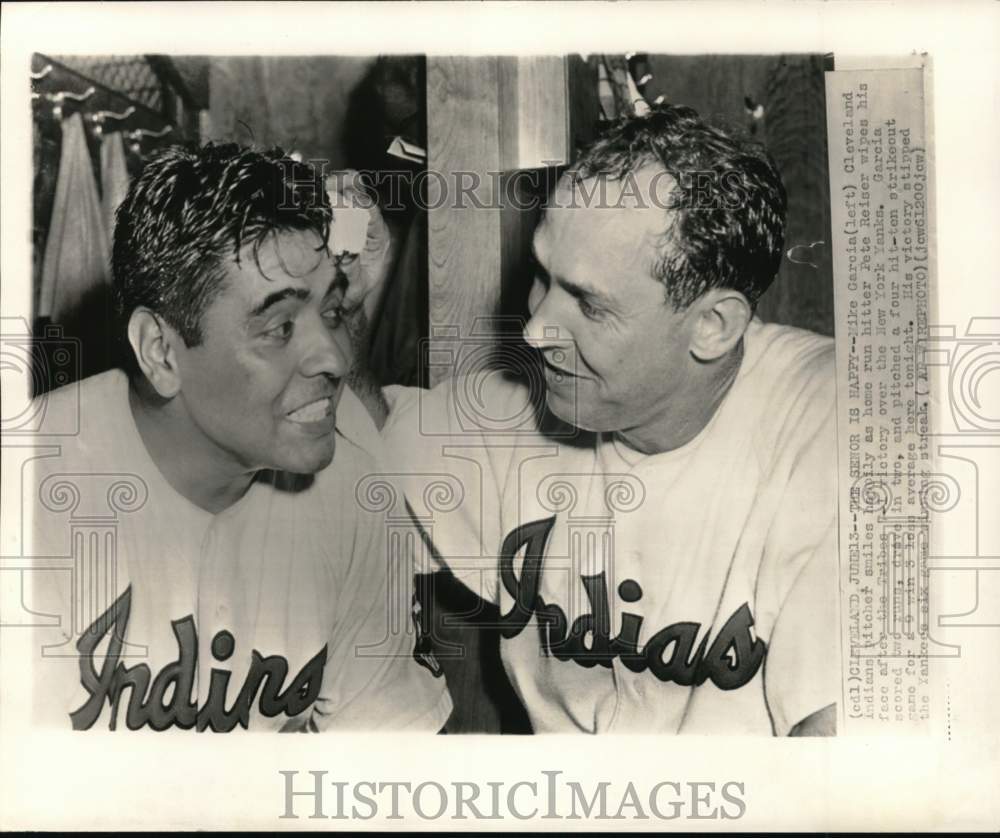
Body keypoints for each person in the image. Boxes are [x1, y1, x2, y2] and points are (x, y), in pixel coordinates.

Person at [382, 104, 839, 735]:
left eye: (588, 304)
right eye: (542, 277)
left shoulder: (844, 436)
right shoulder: (531, 407)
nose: (537, 329)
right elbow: (349, 433)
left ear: (713, 326)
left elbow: (853, 779)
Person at [27, 143, 451, 732]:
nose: (333, 356)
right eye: (279, 327)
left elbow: (388, 770)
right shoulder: (24, 494)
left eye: (332, 313)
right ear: (160, 351)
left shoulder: (352, 489)